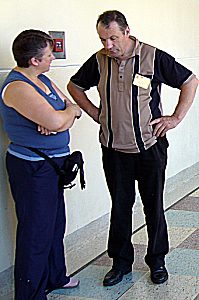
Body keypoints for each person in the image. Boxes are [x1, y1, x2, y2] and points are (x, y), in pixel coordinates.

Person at [67, 10, 198, 287]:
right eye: (103, 39)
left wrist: (175, 118)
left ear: (127, 32)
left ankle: (157, 261)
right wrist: (95, 113)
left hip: (150, 148)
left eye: (113, 38)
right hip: (114, 150)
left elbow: (190, 81)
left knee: (153, 206)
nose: (108, 45)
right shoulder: (100, 61)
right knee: (120, 207)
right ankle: (120, 263)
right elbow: (75, 86)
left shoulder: (151, 56)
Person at [0, 29, 82, 300]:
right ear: (34, 60)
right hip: (32, 169)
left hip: (53, 166)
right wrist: (59, 118)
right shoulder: (18, 87)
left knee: (55, 224)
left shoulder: (43, 79)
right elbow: (59, 120)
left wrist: (61, 115)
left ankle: (56, 276)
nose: (52, 59)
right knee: (35, 232)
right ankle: (31, 294)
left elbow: (73, 109)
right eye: (48, 55)